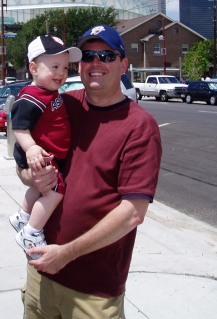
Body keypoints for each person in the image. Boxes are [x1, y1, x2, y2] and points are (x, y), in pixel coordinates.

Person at [17, 25, 162, 319]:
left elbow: (133, 212)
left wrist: (66, 253)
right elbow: (23, 161)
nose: (95, 63)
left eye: (106, 55)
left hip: (92, 291)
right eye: (88, 55)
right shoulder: (62, 105)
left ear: (123, 65)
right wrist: (30, 176)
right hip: (41, 274)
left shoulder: (139, 126)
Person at [10, 34, 82, 259]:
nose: (61, 72)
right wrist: (31, 149)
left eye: (65, 67)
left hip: (47, 155)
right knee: (55, 191)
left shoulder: (48, 93)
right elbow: (19, 127)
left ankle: (22, 216)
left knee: (40, 188)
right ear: (33, 68)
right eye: (54, 66)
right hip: (40, 155)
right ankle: (30, 232)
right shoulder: (32, 97)